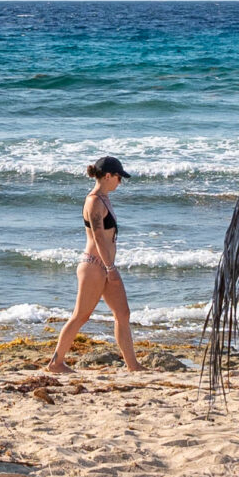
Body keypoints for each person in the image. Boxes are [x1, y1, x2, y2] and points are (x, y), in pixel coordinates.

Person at [46, 156, 144, 373]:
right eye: (119, 177)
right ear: (107, 176)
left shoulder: (105, 198)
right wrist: (111, 269)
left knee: (123, 314)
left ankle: (133, 365)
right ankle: (55, 363)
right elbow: (99, 237)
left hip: (105, 265)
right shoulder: (93, 201)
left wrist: (111, 267)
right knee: (81, 315)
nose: (120, 182)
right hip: (94, 266)